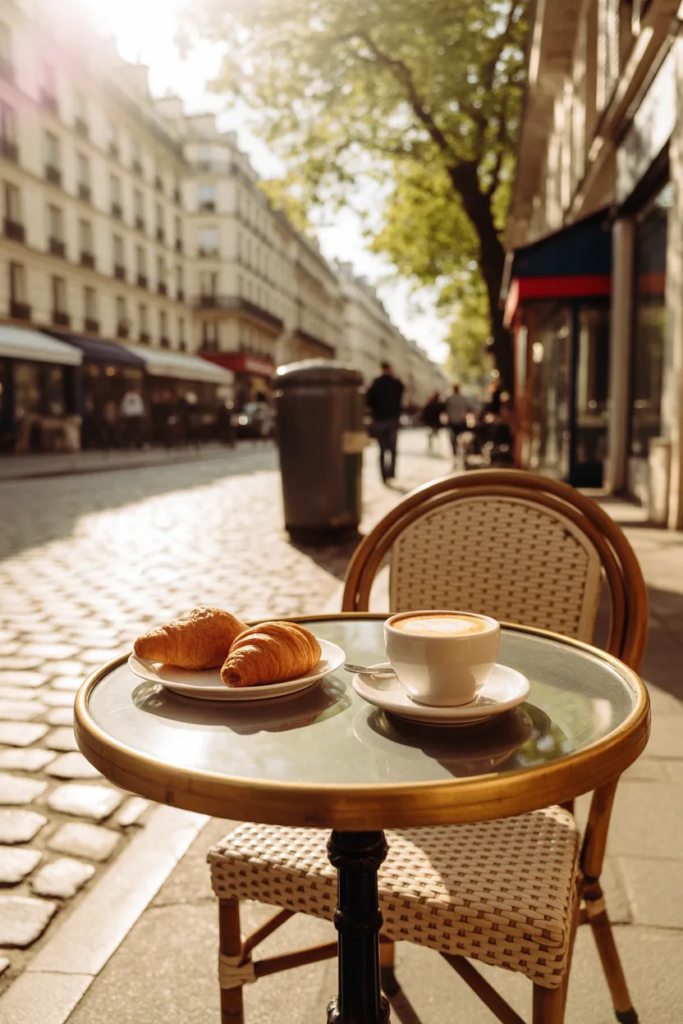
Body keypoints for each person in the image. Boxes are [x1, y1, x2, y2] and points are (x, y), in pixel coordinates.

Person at [366, 361, 404, 483]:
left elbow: (368, 400)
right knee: (392, 448)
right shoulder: (395, 383)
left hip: (379, 419)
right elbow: (401, 392)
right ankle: (391, 472)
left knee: (382, 449)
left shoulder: (376, 382)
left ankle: (384, 475)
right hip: (392, 419)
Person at [444, 384, 475, 462]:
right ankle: (460, 451)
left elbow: (445, 409)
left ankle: (455, 452)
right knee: (460, 437)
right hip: (461, 420)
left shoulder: (449, 399)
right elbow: (469, 408)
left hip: (453, 420)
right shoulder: (463, 399)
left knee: (453, 437)